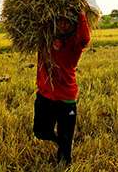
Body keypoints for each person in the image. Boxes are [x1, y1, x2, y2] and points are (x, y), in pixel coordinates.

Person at [33, 11, 91, 165]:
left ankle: (64, 158)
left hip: (66, 99)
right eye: (60, 21)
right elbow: (35, 22)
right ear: (55, 23)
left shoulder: (74, 44)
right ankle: (60, 141)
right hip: (45, 96)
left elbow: (85, 38)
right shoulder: (44, 40)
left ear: (74, 25)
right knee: (40, 132)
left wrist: (81, 13)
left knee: (66, 138)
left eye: (68, 22)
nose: (64, 24)